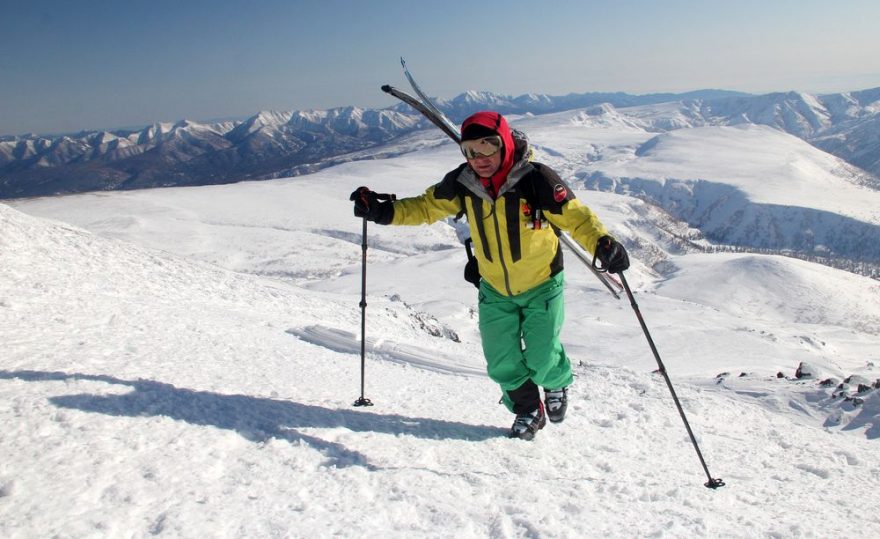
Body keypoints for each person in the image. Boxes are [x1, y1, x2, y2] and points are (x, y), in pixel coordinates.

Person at [349, 111, 629, 440]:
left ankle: (556, 384)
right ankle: (528, 410)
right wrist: (382, 211)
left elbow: (576, 217)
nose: (479, 158)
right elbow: (426, 207)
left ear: (505, 143)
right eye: (470, 150)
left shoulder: (536, 179)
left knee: (541, 357)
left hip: (542, 284)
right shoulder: (462, 183)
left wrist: (603, 242)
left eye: (488, 147)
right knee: (500, 361)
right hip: (494, 288)